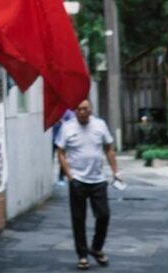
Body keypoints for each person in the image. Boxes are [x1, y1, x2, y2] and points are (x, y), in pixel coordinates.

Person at [56, 99, 120, 270]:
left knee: (103, 215)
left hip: (98, 179)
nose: (82, 112)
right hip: (78, 180)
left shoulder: (100, 125)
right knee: (78, 219)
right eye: (79, 109)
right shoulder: (67, 127)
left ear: (91, 110)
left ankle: (97, 247)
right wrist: (69, 176)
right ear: (75, 111)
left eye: (85, 109)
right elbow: (60, 152)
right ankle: (82, 255)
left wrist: (115, 171)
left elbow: (109, 148)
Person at [53, 108, 74, 184]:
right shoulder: (54, 111)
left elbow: (72, 124)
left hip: (63, 139)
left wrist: (61, 122)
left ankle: (61, 177)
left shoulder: (68, 113)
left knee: (62, 158)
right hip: (53, 138)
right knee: (51, 158)